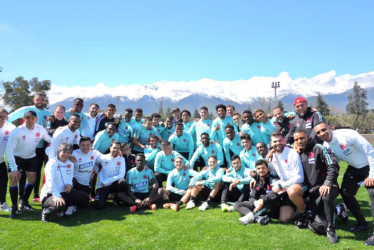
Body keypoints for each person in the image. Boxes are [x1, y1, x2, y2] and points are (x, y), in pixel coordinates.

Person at [313, 122, 374, 246]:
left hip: (369, 164)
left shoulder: (348, 134)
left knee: (373, 194)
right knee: (346, 193)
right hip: (354, 168)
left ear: (330, 128)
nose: (321, 134)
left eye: (323, 130)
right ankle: (363, 224)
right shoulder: (326, 146)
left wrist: (372, 175)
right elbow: (334, 165)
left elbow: (370, 151)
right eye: (318, 132)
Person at [293, 129, 340, 243]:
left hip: (328, 186)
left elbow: (333, 166)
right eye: (296, 139)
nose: (299, 141)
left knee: (326, 195)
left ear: (308, 137)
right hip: (313, 191)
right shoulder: (299, 153)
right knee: (316, 227)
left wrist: (327, 183)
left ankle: (331, 228)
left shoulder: (319, 148)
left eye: (302, 138)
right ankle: (339, 210)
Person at [6, 111, 52, 218]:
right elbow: (9, 150)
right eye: (28, 118)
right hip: (16, 157)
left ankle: (24, 202)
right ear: (24, 119)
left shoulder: (40, 129)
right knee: (14, 178)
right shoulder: (17, 131)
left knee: (32, 179)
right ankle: (14, 207)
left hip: (31, 157)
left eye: (32, 118)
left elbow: (49, 139)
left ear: (36, 119)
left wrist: (59, 141)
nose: (30, 120)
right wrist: (13, 168)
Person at [40, 143, 88, 222]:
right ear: (59, 152)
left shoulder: (70, 163)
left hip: (64, 193)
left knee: (84, 197)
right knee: (59, 205)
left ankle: (66, 208)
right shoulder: (52, 163)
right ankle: (46, 211)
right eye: (64, 151)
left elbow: (70, 177)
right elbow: (50, 181)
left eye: (69, 152)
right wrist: (57, 196)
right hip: (50, 194)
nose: (66, 154)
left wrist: (69, 184)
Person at [268, 132, 307, 228]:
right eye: (275, 141)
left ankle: (304, 214)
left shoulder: (292, 153)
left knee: (292, 191)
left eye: (280, 141)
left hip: (300, 185)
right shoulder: (274, 157)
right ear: (271, 144)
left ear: (284, 141)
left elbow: (299, 177)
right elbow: (274, 173)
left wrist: (281, 186)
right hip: (286, 186)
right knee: (284, 219)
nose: (278, 143)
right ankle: (299, 207)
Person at [234, 159, 280, 226]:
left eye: (263, 168)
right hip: (258, 204)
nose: (261, 170)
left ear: (268, 169)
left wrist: (262, 201)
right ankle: (257, 218)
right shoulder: (256, 181)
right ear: (256, 170)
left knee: (269, 202)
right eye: (258, 168)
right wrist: (255, 202)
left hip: (270, 206)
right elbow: (252, 197)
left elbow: (274, 194)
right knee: (236, 204)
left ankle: (251, 216)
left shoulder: (273, 180)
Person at [94, 141, 127, 210]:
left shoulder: (121, 159)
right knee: (98, 206)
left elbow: (121, 175)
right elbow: (94, 163)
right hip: (102, 185)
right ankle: (104, 196)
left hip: (112, 184)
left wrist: (107, 181)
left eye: (118, 148)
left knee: (123, 182)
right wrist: (98, 171)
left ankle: (117, 198)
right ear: (110, 148)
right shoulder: (103, 157)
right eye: (114, 148)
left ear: (119, 150)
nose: (115, 150)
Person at [0, 108, 16, 211]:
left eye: (3, 117)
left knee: (3, 182)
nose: (1, 119)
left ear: (7, 118)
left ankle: (2, 203)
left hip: (1, 161)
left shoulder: (11, 128)